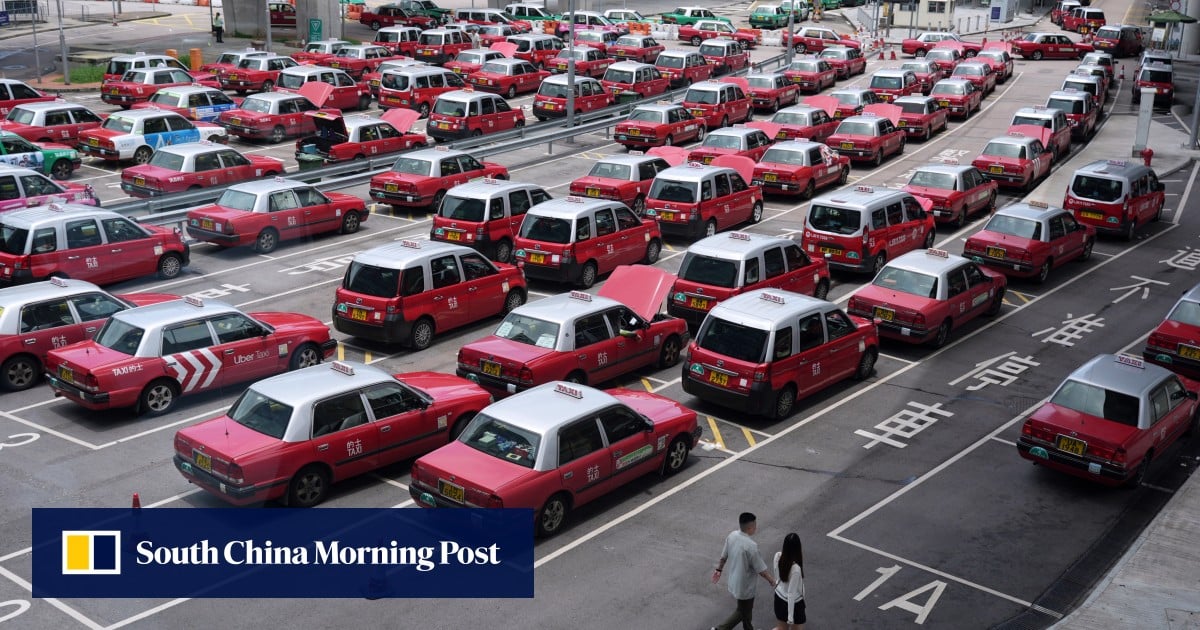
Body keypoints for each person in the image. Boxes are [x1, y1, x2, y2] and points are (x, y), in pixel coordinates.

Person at [712, 512, 777, 630]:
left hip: (734, 582)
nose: (756, 528)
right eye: (755, 525)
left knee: (745, 609)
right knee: (742, 612)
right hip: (745, 587)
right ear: (750, 528)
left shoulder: (732, 535)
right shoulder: (751, 546)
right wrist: (772, 581)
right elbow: (761, 570)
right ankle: (719, 629)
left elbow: (723, 558)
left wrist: (719, 570)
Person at [773, 533, 806, 630]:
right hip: (794, 603)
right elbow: (791, 593)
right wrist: (790, 617)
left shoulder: (778, 556)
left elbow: (777, 577)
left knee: (781, 628)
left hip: (779, 598)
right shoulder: (795, 569)